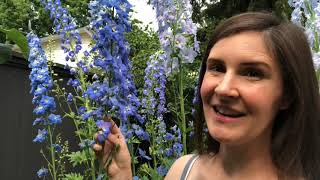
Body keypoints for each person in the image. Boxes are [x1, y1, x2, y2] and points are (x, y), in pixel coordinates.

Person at [93, 12, 320, 180]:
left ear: (287, 95)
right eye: (217, 68)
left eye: (252, 73)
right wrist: (123, 176)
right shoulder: (182, 171)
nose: (223, 88)